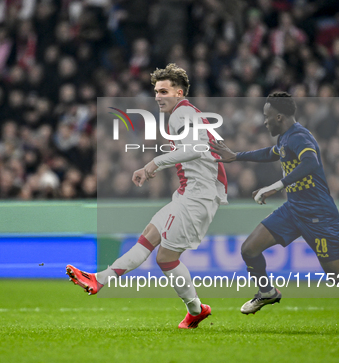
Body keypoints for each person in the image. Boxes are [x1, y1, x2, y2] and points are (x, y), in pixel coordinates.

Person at [66, 64, 228, 329]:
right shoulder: (186, 114)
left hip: (199, 196)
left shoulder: (182, 113)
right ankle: (100, 279)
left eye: (164, 91)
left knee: (165, 258)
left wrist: (154, 163)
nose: (158, 96)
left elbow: (196, 149)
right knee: (148, 239)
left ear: (178, 92)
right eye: (155, 91)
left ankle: (196, 309)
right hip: (189, 194)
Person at [209, 92, 339, 330]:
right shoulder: (284, 138)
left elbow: (311, 163)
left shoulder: (299, 136)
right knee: (249, 249)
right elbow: (271, 153)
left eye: (267, 117)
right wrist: (236, 156)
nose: (265, 121)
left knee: (335, 274)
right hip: (293, 210)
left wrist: (275, 186)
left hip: (320, 214)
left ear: (279, 116)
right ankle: (267, 290)